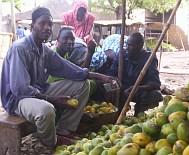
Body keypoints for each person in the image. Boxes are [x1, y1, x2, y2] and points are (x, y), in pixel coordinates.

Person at [0, 7, 114, 148]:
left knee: (84, 85)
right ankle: (51, 143)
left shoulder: (44, 50)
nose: (47, 28)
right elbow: (20, 89)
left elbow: (68, 68)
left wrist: (101, 76)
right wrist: (53, 99)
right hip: (17, 99)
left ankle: (63, 129)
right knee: (46, 111)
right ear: (32, 26)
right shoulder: (20, 48)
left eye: (50, 24)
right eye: (42, 23)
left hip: (39, 91)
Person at [108, 32, 163, 114]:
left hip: (140, 90)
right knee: (106, 88)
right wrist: (116, 83)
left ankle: (139, 116)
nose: (127, 48)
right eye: (127, 44)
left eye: (131, 45)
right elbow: (111, 75)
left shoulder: (149, 58)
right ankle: (115, 114)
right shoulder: (122, 54)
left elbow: (155, 83)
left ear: (140, 46)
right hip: (122, 88)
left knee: (154, 95)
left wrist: (137, 88)